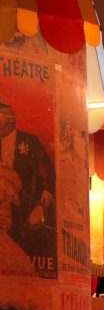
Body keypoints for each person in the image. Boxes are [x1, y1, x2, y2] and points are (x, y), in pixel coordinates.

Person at [0, 102, 55, 266]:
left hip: (28, 215)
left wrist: (41, 206)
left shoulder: (30, 142)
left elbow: (49, 172)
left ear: (9, 120)